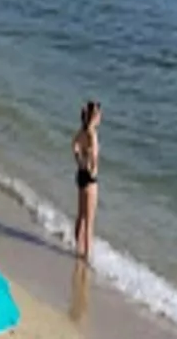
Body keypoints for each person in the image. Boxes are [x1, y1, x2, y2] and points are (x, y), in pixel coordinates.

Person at [72, 100, 102, 259]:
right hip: (90, 178)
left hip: (81, 174)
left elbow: (74, 145)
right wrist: (91, 165)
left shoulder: (82, 131)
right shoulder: (93, 134)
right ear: (95, 117)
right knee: (89, 222)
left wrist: (79, 160)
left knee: (80, 216)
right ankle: (86, 256)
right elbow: (94, 156)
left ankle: (78, 247)